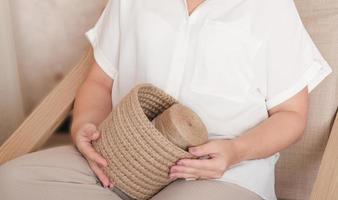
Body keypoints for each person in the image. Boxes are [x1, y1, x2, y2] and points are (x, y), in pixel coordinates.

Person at [0, 0, 333, 199]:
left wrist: (236, 152)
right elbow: (100, 82)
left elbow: (291, 114)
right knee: (11, 184)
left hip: (223, 174)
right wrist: (86, 124)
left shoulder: (269, 8)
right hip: (119, 159)